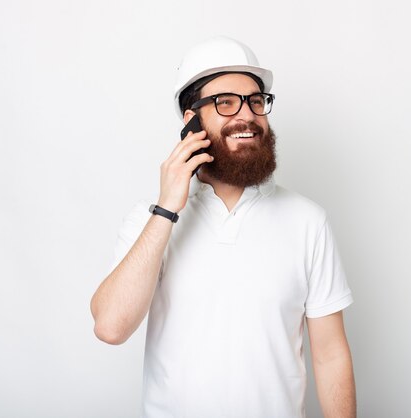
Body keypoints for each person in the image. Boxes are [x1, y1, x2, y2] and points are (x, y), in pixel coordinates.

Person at [90, 36, 356, 418]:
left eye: (256, 101)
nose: (246, 115)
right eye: (225, 102)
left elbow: (330, 355)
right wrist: (167, 208)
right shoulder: (150, 221)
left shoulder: (308, 221)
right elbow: (110, 327)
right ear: (191, 121)